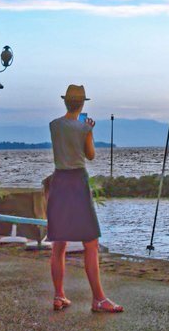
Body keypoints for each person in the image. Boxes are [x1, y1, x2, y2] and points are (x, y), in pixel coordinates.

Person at [46, 83, 122, 313]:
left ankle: (59, 295)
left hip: (59, 182)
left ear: (66, 101)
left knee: (59, 243)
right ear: (82, 103)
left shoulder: (54, 126)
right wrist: (89, 131)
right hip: (77, 182)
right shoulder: (82, 129)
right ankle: (98, 298)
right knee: (91, 242)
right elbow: (90, 155)